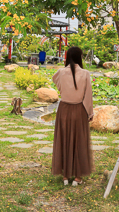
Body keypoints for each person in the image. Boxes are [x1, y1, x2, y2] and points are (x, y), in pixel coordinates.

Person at [51, 46, 94, 186]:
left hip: (64, 108)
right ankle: (77, 177)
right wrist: (90, 112)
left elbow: (55, 80)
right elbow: (88, 96)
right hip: (79, 109)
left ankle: (65, 176)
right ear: (79, 57)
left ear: (67, 57)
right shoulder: (85, 73)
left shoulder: (61, 72)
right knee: (79, 142)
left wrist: (64, 90)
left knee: (64, 140)